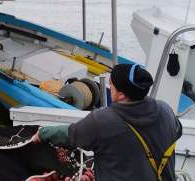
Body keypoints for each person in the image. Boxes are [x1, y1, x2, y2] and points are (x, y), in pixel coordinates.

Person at [31, 64, 182, 181]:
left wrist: (43, 133)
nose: (110, 88)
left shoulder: (104, 120)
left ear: (121, 94)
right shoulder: (165, 110)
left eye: (111, 84)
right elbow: (178, 131)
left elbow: (72, 135)